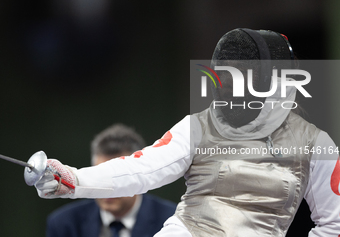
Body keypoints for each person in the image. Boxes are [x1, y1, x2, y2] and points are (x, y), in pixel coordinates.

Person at [36, 28, 340, 237]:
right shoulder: (198, 126)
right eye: (224, 74)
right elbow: (142, 167)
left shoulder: (314, 143)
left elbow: (334, 222)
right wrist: (73, 179)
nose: (229, 84)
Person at [45, 124, 177, 237]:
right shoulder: (64, 224)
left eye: (119, 178)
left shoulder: (173, 221)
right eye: (100, 177)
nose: (108, 190)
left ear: (139, 175)